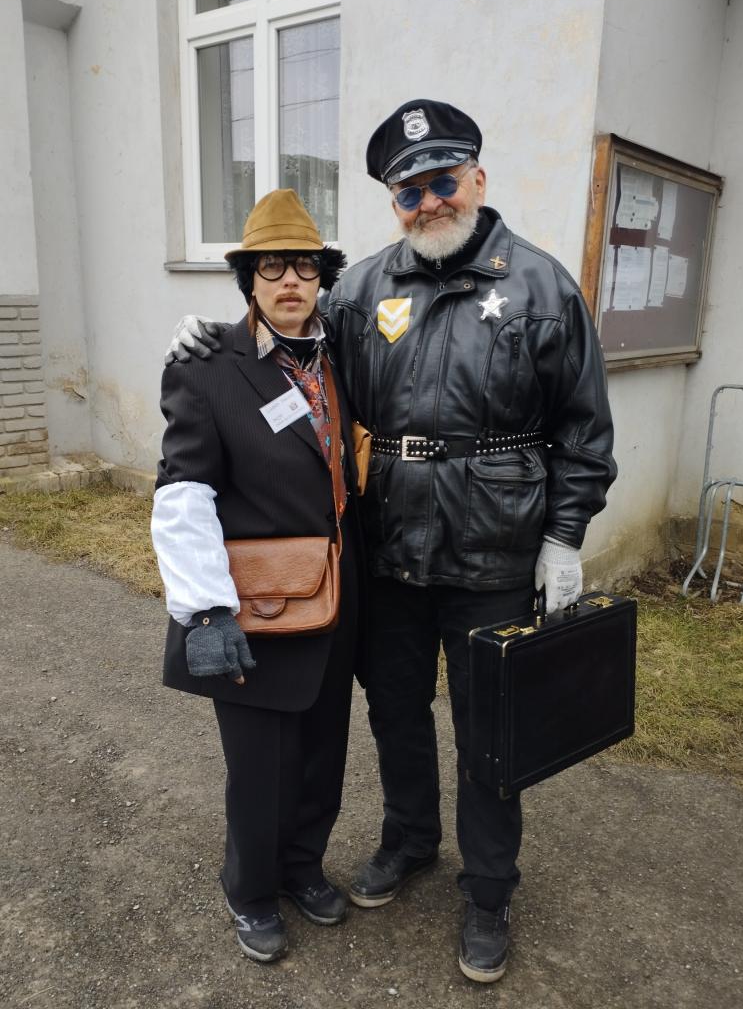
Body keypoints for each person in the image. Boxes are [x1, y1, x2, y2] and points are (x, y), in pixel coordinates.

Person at [167, 99, 616, 983]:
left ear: (476, 179)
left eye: (442, 182)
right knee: (394, 712)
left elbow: (583, 430)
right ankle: (410, 840)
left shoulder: (542, 287)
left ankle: (487, 890)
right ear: (393, 202)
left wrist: (564, 537)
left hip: (495, 552)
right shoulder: (364, 289)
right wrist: (210, 337)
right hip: (391, 554)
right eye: (408, 192)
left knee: (490, 730)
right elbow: (285, 337)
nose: (428, 202)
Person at [151, 188, 361, 964]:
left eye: (302, 265)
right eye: (271, 267)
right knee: (260, 765)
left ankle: (302, 867)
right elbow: (182, 492)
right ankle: (250, 890)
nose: (289, 280)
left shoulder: (340, 358)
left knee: (323, 751)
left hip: (336, 595)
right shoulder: (207, 369)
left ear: (321, 277)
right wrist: (206, 611)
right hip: (254, 605)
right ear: (249, 280)